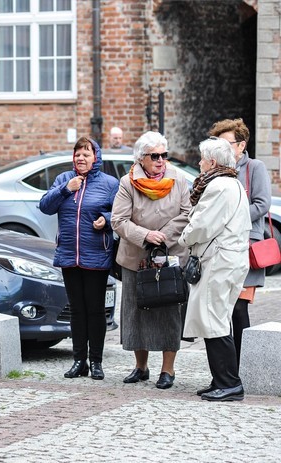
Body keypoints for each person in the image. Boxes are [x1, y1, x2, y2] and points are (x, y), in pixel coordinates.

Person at [111, 131, 190, 389]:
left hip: (169, 255)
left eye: (164, 155)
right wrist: (145, 235)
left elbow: (187, 213)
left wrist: (162, 235)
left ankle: (168, 370)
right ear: (141, 158)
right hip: (136, 257)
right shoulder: (128, 182)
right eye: (154, 156)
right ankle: (141, 366)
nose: (160, 160)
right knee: (136, 312)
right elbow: (118, 220)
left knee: (170, 313)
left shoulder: (178, 178)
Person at [38, 137, 119, 380]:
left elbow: (121, 213)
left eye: (86, 154)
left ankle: (96, 361)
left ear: (96, 157)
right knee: (76, 310)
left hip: (96, 254)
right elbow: (45, 206)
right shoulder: (64, 179)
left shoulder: (109, 183)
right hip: (69, 255)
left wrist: (106, 220)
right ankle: (79, 361)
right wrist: (66, 189)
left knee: (95, 309)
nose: (81, 158)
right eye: (78, 154)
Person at [179, 137, 251, 401]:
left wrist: (184, 237)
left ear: (212, 161)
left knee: (214, 320)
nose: (199, 163)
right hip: (227, 260)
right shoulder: (232, 183)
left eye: (201, 159)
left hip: (219, 261)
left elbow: (202, 225)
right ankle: (221, 379)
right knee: (217, 319)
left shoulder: (219, 186)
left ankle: (229, 383)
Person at [208, 118, 272, 366]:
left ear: (241, 145)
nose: (220, 149)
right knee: (220, 312)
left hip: (246, 248)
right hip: (220, 249)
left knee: (238, 309)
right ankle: (226, 371)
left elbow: (262, 204)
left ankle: (241, 368)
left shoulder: (255, 167)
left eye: (225, 144)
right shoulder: (215, 169)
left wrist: (233, 217)